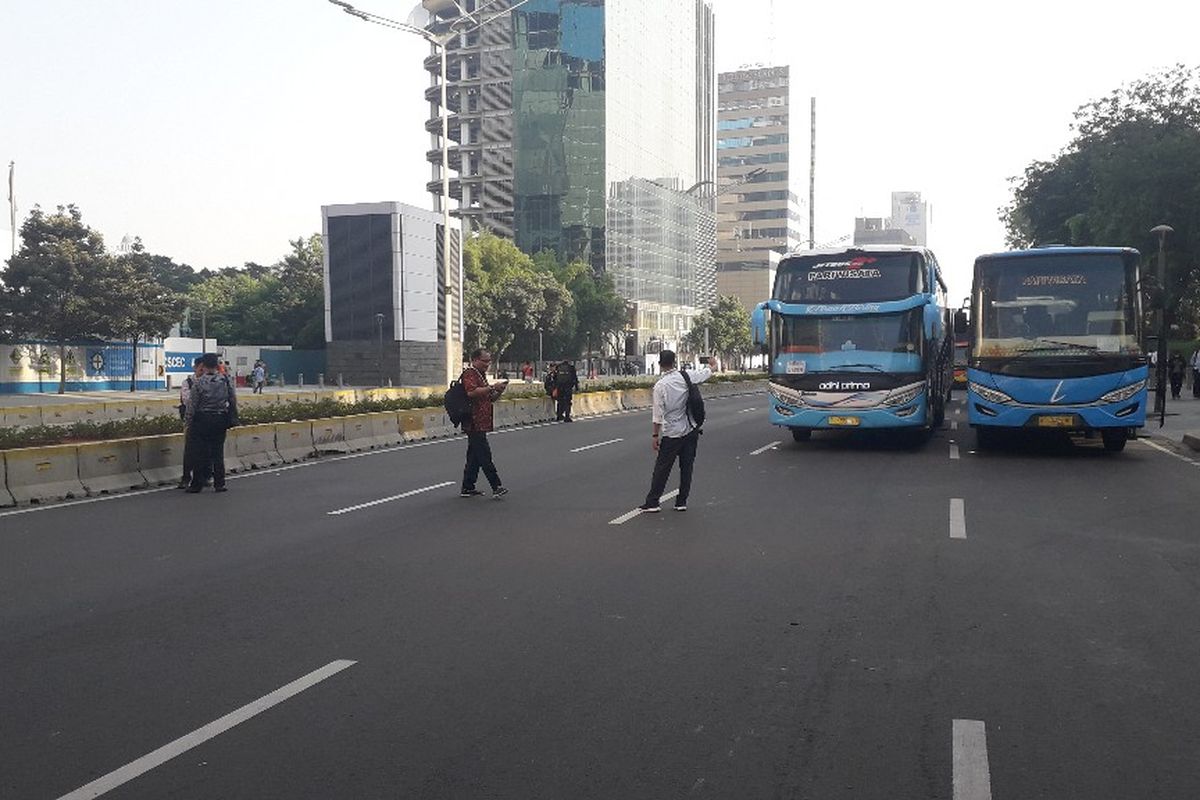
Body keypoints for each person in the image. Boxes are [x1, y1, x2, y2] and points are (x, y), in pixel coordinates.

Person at [638, 349, 712, 513]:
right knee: (686, 467)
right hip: (690, 429)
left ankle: (653, 502)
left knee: (662, 468)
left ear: (660, 364)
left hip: (672, 432)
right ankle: (681, 501)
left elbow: (657, 414)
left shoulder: (660, 386)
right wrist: (712, 365)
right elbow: (705, 373)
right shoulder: (686, 376)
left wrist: (655, 435)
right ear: (675, 362)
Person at [460, 348, 509, 499]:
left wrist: (498, 390)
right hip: (473, 421)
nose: (488, 364)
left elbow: (489, 397)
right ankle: (496, 486)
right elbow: (471, 392)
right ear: (475, 360)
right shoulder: (470, 373)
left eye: (489, 361)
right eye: (485, 361)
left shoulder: (481, 376)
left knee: (474, 456)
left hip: (481, 421)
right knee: (484, 455)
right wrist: (492, 387)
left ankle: (467, 487)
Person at [186, 353, 239, 493]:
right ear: (217, 365)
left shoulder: (199, 382)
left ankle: (197, 484)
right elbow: (233, 399)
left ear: (203, 365)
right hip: (220, 418)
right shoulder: (225, 380)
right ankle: (219, 483)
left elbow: (192, 405)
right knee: (217, 452)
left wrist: (188, 422)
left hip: (202, 419)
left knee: (200, 453)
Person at [177, 357, 204, 488]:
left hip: (205, 420)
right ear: (195, 368)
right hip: (192, 420)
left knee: (206, 450)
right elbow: (187, 401)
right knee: (189, 451)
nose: (203, 371)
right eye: (201, 368)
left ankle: (206, 476)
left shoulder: (211, 382)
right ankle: (186, 477)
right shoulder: (187, 382)